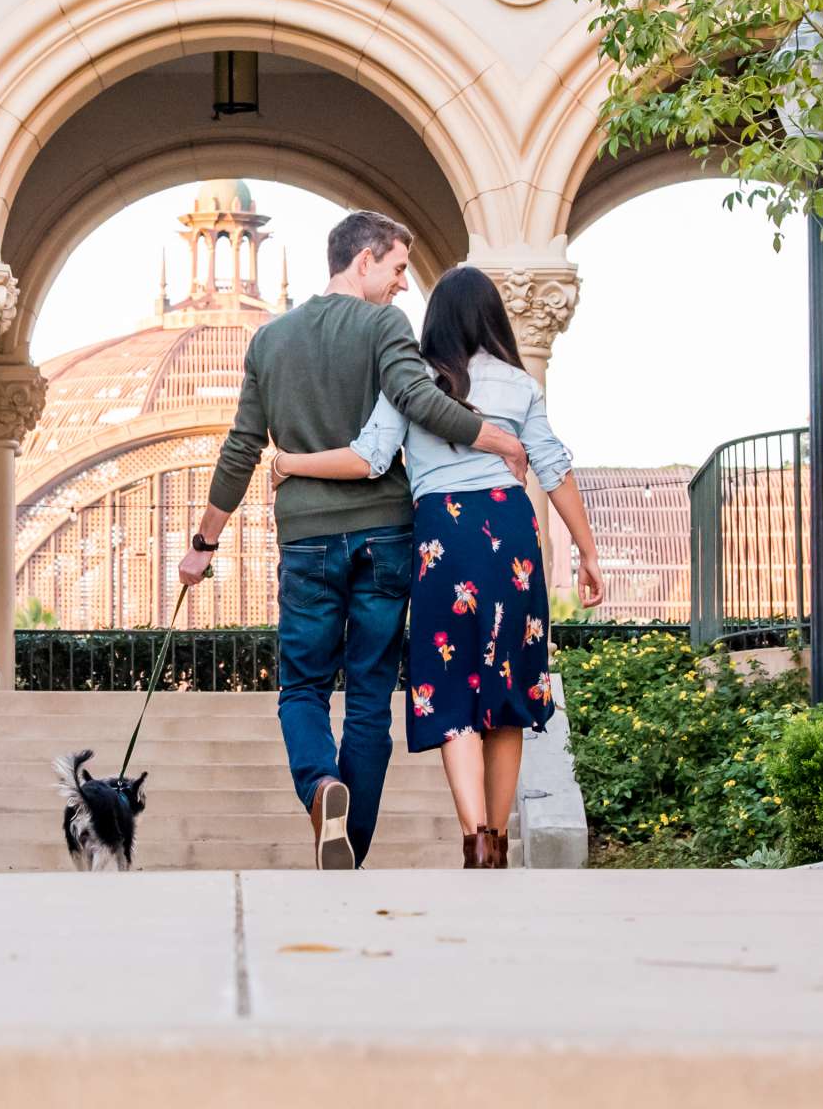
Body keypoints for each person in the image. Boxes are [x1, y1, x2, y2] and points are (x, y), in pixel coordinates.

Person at [180, 212, 531, 870]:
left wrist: (204, 543)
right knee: (370, 696)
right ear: (363, 259)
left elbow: (241, 447)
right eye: (398, 267)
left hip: (307, 538)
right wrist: (494, 436)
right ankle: (350, 848)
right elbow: (417, 400)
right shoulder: (384, 327)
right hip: (385, 534)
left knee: (304, 688)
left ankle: (320, 787)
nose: (403, 285)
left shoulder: (270, 341)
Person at [270, 264, 604, 869]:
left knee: (452, 693)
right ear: (494, 319)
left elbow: (371, 458)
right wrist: (586, 550)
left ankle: (474, 836)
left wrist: (293, 463)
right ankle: (496, 844)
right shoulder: (518, 384)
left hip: (443, 543)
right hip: (511, 536)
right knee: (508, 695)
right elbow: (553, 467)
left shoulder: (413, 380)